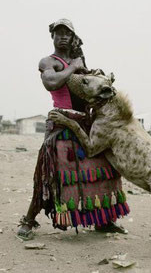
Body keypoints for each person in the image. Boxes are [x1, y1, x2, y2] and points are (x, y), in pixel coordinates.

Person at [17, 18, 130, 239]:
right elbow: (51, 83)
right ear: (52, 37)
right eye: (58, 33)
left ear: (73, 37)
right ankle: (29, 221)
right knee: (50, 177)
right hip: (61, 124)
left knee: (104, 171)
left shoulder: (79, 60)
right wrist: (75, 67)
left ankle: (103, 221)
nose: (63, 37)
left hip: (86, 124)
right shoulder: (49, 61)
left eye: (67, 33)